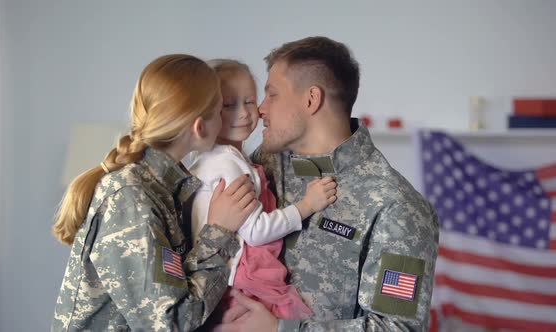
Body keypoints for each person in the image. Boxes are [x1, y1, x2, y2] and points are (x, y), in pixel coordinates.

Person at [217, 37, 440, 331]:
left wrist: (280, 329)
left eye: (272, 95)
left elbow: (397, 328)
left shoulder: (395, 206)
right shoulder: (260, 167)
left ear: (311, 99)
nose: (260, 109)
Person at [51, 54, 260, 332]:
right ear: (200, 126)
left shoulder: (168, 189)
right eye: (222, 108)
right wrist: (219, 231)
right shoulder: (130, 198)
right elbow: (169, 323)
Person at [189, 59, 337, 322]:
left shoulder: (216, 159)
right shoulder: (228, 163)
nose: (244, 113)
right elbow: (256, 232)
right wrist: (307, 206)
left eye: (249, 101)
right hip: (245, 281)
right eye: (228, 105)